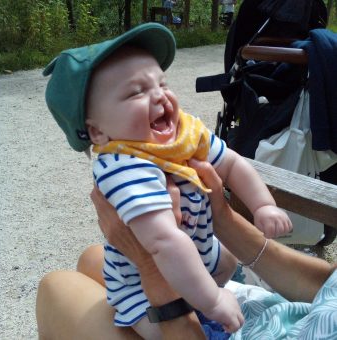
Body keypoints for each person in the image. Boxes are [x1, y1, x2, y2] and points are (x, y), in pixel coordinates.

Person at [43, 23, 292, 338]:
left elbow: (230, 162)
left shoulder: (181, 132)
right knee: (156, 327)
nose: (160, 96)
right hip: (142, 290)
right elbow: (163, 242)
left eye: (162, 83)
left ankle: (206, 300)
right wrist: (213, 300)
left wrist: (263, 205)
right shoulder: (123, 166)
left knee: (224, 260)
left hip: (199, 256)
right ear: (97, 132)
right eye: (137, 92)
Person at [36, 159, 337, 339]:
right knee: (93, 258)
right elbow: (327, 286)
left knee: (55, 287)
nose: (158, 97)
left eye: (158, 85)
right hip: (273, 313)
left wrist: (149, 260)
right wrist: (224, 218)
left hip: (217, 329)